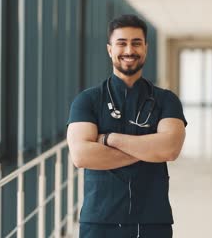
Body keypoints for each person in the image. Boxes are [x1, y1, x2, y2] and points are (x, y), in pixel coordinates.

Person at [66, 14, 187, 238]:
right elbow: (81, 156)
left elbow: (169, 149)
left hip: (153, 222)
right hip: (99, 223)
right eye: (121, 43)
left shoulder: (166, 100)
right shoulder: (87, 100)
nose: (129, 50)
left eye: (136, 43)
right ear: (110, 49)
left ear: (146, 48)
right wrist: (149, 149)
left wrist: (108, 139)